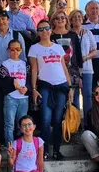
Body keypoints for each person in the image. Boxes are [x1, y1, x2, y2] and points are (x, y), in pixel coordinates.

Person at [30, 19, 73, 161]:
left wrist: (70, 87)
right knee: (45, 119)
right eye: (41, 29)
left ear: (50, 30)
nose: (44, 31)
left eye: (46, 28)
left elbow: (64, 67)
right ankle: (45, 150)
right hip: (45, 86)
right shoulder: (34, 48)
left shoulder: (58, 47)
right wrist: (34, 88)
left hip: (61, 85)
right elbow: (34, 69)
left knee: (58, 119)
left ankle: (57, 150)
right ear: (38, 32)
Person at [0, 11, 27, 143]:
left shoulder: (17, 35)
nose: (1, 22)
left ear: (8, 20)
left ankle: (18, 138)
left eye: (4, 19)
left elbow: (23, 57)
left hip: (14, 74)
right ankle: (2, 137)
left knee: (15, 106)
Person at [0, 39, 30, 145]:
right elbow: (2, 80)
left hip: (24, 98)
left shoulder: (25, 64)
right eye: (12, 49)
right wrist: (13, 82)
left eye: (17, 49)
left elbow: (30, 80)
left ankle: (21, 147)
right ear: (8, 50)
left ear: (21, 50)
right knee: (9, 125)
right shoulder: (4, 64)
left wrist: (27, 89)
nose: (15, 51)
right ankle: (10, 148)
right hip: (10, 97)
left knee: (23, 125)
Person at [69, 9, 97, 124]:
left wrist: (85, 57)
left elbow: (94, 51)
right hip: (73, 70)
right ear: (71, 20)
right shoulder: (69, 34)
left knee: (87, 95)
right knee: (74, 96)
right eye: (74, 17)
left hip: (87, 69)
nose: (77, 19)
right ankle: (76, 123)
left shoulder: (88, 33)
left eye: (79, 17)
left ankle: (88, 122)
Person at [50, 9, 83, 106]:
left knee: (74, 104)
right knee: (59, 104)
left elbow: (78, 56)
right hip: (55, 74)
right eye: (57, 18)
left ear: (66, 20)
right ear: (53, 21)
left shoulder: (73, 35)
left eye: (62, 17)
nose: (60, 20)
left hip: (73, 74)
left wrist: (80, 76)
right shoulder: (50, 36)